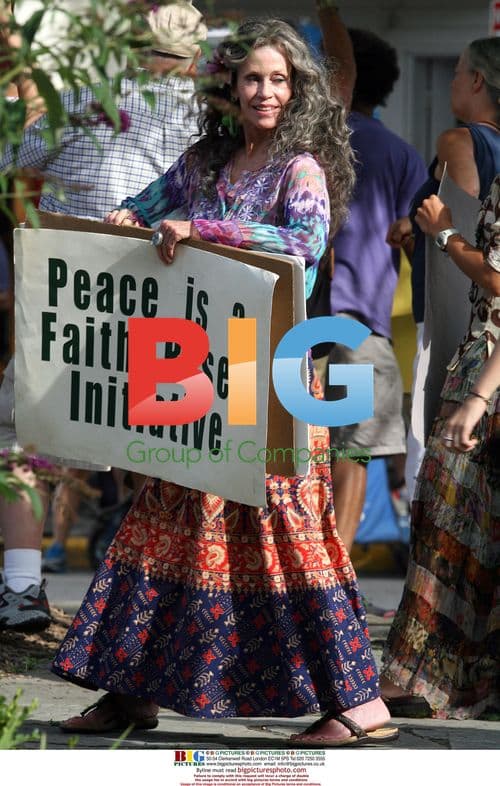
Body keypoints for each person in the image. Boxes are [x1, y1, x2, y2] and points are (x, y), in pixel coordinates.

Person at [52, 18, 398, 747]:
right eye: (252, 79)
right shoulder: (205, 162)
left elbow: (303, 245)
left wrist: (205, 231)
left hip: (270, 374)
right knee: (165, 521)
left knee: (287, 530)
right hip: (195, 374)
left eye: (279, 79)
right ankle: (130, 692)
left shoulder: (300, 169)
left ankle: (360, 704)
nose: (265, 92)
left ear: (296, 90)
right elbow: (151, 206)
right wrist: (129, 216)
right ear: (229, 88)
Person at [0, 0, 207, 630]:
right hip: (163, 303)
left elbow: (9, 165)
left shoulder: (80, 101)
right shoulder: (208, 120)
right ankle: (150, 599)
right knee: (162, 448)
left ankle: (20, 588)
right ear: (194, 58)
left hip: (69, 298)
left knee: (24, 435)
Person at [380, 177, 500, 719]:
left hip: (485, 368)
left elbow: (497, 282)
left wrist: (444, 231)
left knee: (449, 526)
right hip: (483, 368)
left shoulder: (464, 148)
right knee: (468, 532)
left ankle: (421, 677)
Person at [311, 22, 426, 557]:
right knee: (351, 453)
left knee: (272, 448)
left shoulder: (298, 138)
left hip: (288, 320)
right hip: (359, 328)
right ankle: (335, 572)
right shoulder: (400, 155)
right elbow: (415, 240)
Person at [387, 37, 500, 502]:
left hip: (463, 329)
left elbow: (468, 237)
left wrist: (439, 233)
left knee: (435, 469)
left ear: (476, 80)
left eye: (457, 72)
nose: (452, 82)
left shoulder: (460, 142)